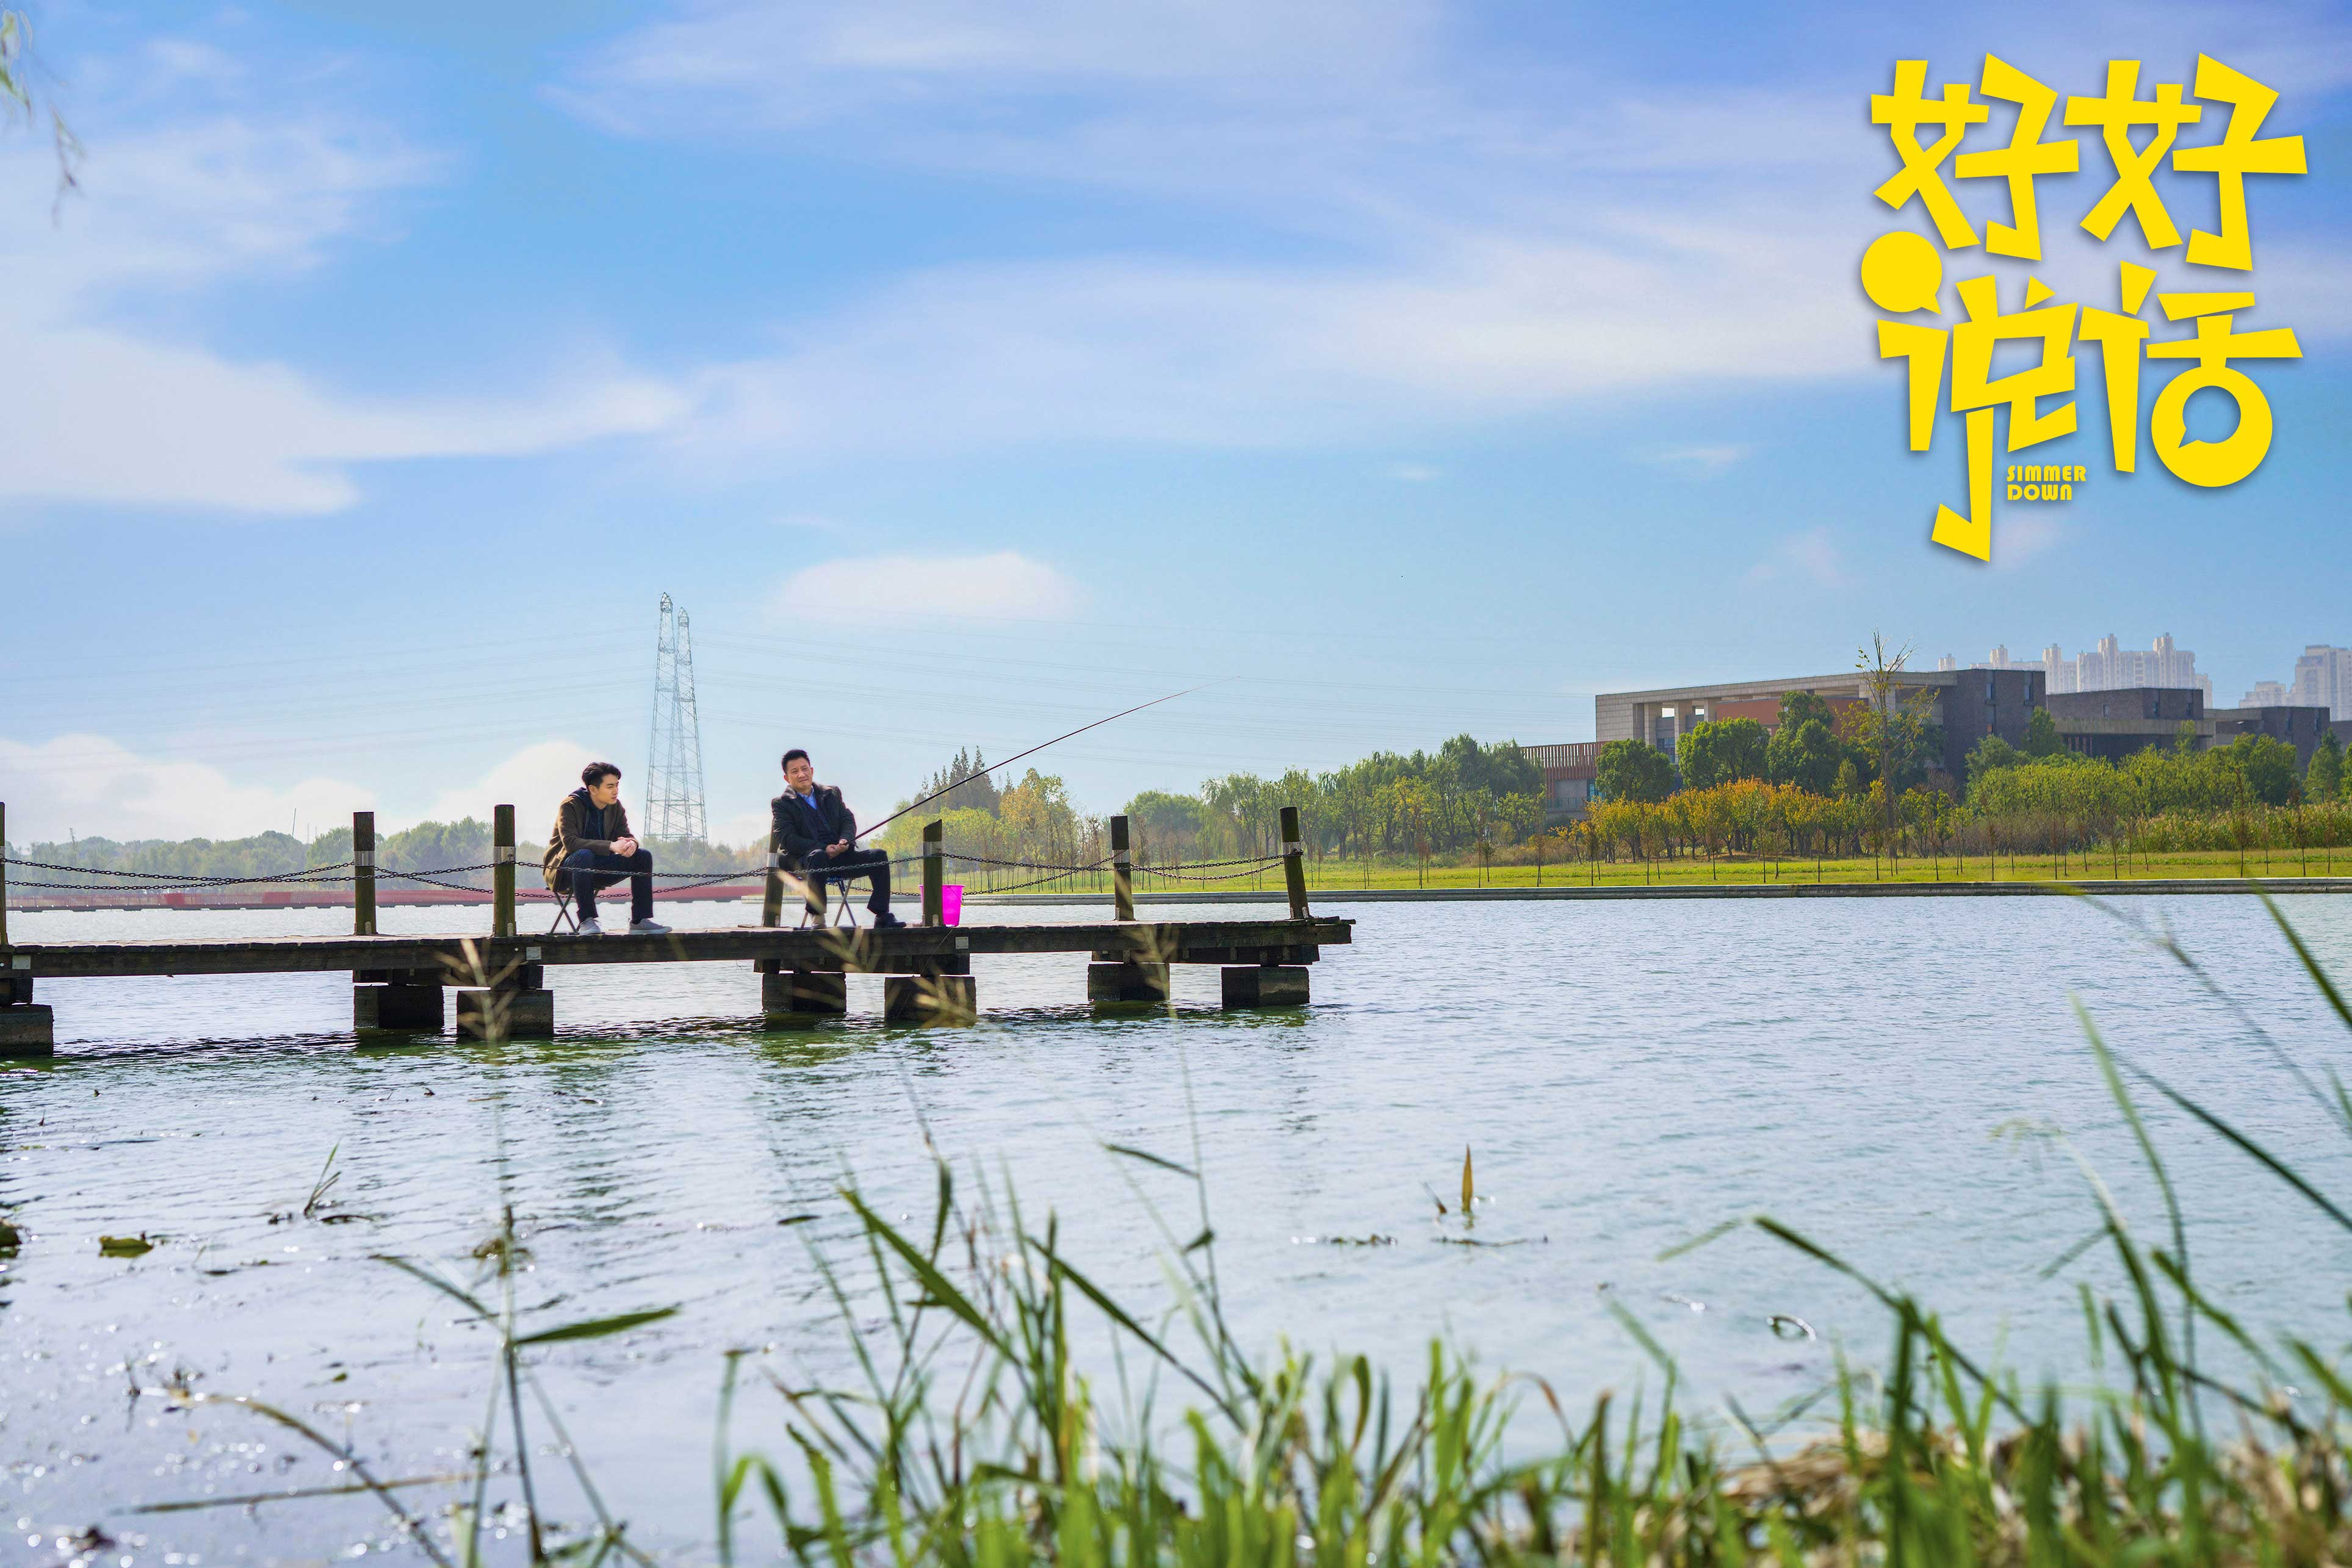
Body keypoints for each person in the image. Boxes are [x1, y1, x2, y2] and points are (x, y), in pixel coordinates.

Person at [771, 748, 904, 928]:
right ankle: (817, 917)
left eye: (805, 769)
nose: (802, 774)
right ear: (787, 778)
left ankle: (882, 914)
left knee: (878, 856)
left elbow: (847, 819)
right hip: (806, 860)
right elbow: (787, 839)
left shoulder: (832, 793)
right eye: (795, 771)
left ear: (812, 770)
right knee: (817, 856)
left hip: (841, 855)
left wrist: (845, 840)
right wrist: (823, 848)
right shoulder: (782, 804)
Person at [544, 761, 670, 936]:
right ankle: (587, 921)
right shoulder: (570, 806)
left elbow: (626, 834)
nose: (616, 791)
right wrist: (611, 846)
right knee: (583, 855)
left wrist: (632, 844)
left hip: (599, 868)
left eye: (617, 785)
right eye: (610, 786)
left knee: (643, 856)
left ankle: (640, 921)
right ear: (593, 789)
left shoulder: (616, 807)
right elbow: (571, 843)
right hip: (567, 870)